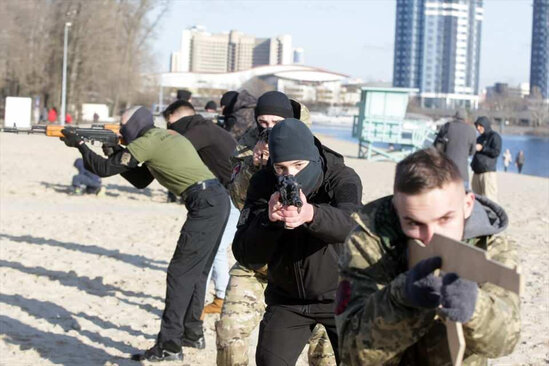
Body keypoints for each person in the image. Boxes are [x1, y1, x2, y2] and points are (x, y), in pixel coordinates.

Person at [60, 106, 230, 362]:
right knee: (197, 272)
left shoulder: (147, 142)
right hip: (215, 199)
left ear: (135, 126)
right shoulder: (164, 137)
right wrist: (117, 152)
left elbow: (104, 170)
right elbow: (142, 180)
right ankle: (191, 333)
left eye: (123, 125)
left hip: (204, 203)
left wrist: (80, 145)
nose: (120, 129)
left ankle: (170, 345)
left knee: (179, 275)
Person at [336, 148, 520, 365]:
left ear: (467, 204)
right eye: (414, 223)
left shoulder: (492, 246)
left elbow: (505, 342)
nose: (431, 237)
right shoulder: (368, 242)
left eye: (445, 219)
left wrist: (476, 308)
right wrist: (400, 299)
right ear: (397, 209)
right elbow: (352, 352)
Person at [233, 118, 363, 365]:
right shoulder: (262, 183)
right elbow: (245, 253)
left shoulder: (341, 177)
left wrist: (311, 214)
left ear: (312, 158)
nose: (290, 175)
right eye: (281, 168)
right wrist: (267, 221)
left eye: (299, 165)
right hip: (287, 299)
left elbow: (353, 225)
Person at [218, 91, 334, 366]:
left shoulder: (312, 149)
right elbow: (239, 202)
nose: (269, 128)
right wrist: (254, 168)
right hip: (258, 260)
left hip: (306, 265)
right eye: (263, 121)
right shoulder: (248, 147)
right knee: (229, 331)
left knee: (324, 354)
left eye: (276, 121)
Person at [162, 99, 238, 315]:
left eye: (171, 124)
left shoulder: (200, 131)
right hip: (231, 194)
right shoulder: (206, 128)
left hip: (235, 196)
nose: (170, 129)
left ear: (184, 117)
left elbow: (171, 152)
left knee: (216, 250)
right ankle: (217, 298)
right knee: (215, 250)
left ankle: (221, 298)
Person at [433, 111, 476, 187]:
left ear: (455, 117)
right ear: (465, 118)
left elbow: (436, 147)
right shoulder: (471, 130)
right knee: (463, 196)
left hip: (447, 169)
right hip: (463, 173)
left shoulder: (447, 127)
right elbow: (472, 151)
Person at [471, 116, 502, 203]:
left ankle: (491, 216)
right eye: (477, 126)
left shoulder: (494, 136)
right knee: (476, 200)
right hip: (476, 172)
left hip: (488, 173)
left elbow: (496, 152)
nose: (478, 128)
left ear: (485, 125)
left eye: (480, 126)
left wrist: (482, 148)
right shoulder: (479, 138)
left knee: (490, 199)